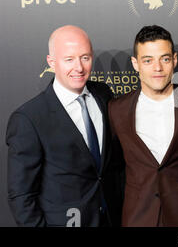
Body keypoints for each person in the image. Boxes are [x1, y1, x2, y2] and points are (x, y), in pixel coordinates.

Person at [6, 25, 123, 227]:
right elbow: (22, 195)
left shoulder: (103, 94)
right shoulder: (29, 118)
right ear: (51, 62)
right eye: (69, 59)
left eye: (85, 57)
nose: (79, 67)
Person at [108, 25, 178, 227]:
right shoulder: (117, 110)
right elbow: (113, 166)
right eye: (148, 60)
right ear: (135, 64)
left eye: (165, 59)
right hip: (138, 217)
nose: (157, 68)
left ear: (174, 60)